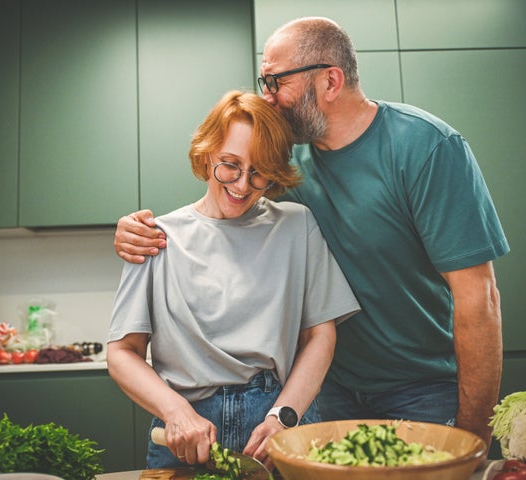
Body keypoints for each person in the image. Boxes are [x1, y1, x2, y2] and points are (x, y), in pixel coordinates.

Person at [113, 17, 509, 451]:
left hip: (420, 388)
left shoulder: (426, 148)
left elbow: (479, 298)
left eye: (275, 81)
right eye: (263, 81)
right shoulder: (286, 157)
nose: (267, 96)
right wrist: (134, 231)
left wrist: (474, 434)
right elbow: (223, 201)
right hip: (326, 394)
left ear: (330, 81)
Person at [107, 90, 360, 470]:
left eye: (258, 172)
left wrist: (284, 416)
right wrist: (175, 410)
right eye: (230, 165)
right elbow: (122, 353)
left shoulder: (296, 226)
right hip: (187, 430)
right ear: (207, 153)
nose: (242, 186)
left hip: (276, 420)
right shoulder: (157, 237)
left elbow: (320, 336)